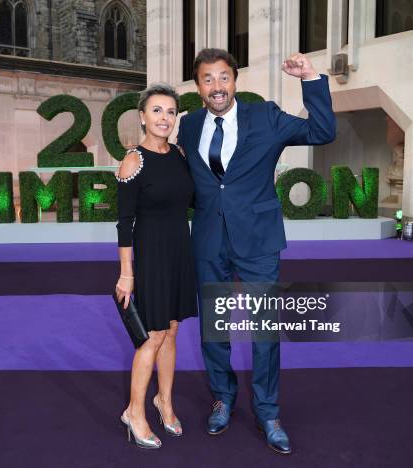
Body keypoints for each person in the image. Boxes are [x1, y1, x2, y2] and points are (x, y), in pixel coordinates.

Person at [176, 48, 336, 455]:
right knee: (215, 331)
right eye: (208, 79)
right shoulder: (190, 125)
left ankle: (268, 411)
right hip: (209, 239)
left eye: (223, 77)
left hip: (258, 241)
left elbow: (322, 131)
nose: (217, 86)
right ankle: (222, 397)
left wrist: (310, 79)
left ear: (235, 80)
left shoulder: (265, 116)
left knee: (264, 331)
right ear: (198, 87)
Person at [115, 83, 198, 449]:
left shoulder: (179, 155)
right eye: (157, 111)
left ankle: (164, 400)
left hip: (180, 251)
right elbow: (124, 223)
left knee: (173, 330)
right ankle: (134, 410)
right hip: (150, 256)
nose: (164, 118)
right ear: (142, 116)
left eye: (170, 111)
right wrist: (127, 273)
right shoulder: (134, 160)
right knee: (153, 336)